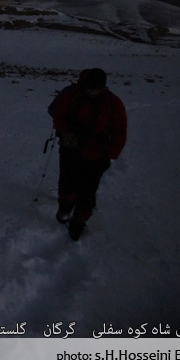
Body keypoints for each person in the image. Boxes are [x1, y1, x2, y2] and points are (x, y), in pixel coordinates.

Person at [49, 68, 127, 240]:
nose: (92, 92)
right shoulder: (71, 96)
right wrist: (63, 131)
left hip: (97, 156)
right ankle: (65, 208)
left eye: (96, 88)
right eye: (89, 88)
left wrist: (111, 154)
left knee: (88, 192)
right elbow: (59, 115)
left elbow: (120, 131)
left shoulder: (113, 104)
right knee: (67, 184)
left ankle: (78, 222)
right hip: (71, 150)